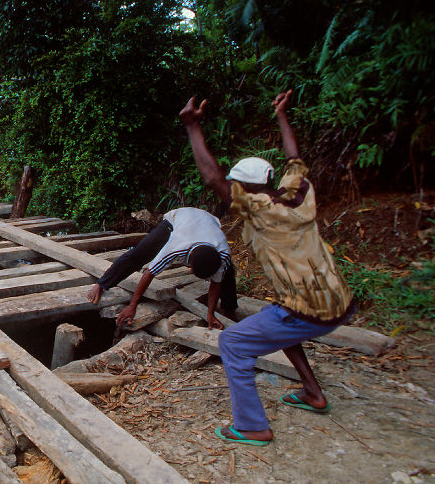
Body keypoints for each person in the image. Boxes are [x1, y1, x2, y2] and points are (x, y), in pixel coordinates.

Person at [179, 89, 356, 446]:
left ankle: (252, 426)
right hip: (340, 301)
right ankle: (312, 393)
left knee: (232, 342)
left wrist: (192, 127)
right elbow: (295, 156)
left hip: (309, 309)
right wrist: (281, 115)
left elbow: (214, 179)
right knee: (276, 319)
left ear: (243, 187)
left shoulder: (260, 210)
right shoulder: (297, 192)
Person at [87, 207, 237, 329]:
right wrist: (133, 305)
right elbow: (149, 273)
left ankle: (229, 309)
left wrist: (209, 314)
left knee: (228, 272)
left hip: (207, 221)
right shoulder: (176, 248)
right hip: (178, 219)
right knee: (139, 254)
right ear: (189, 264)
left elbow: (216, 283)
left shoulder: (223, 254)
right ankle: (102, 283)